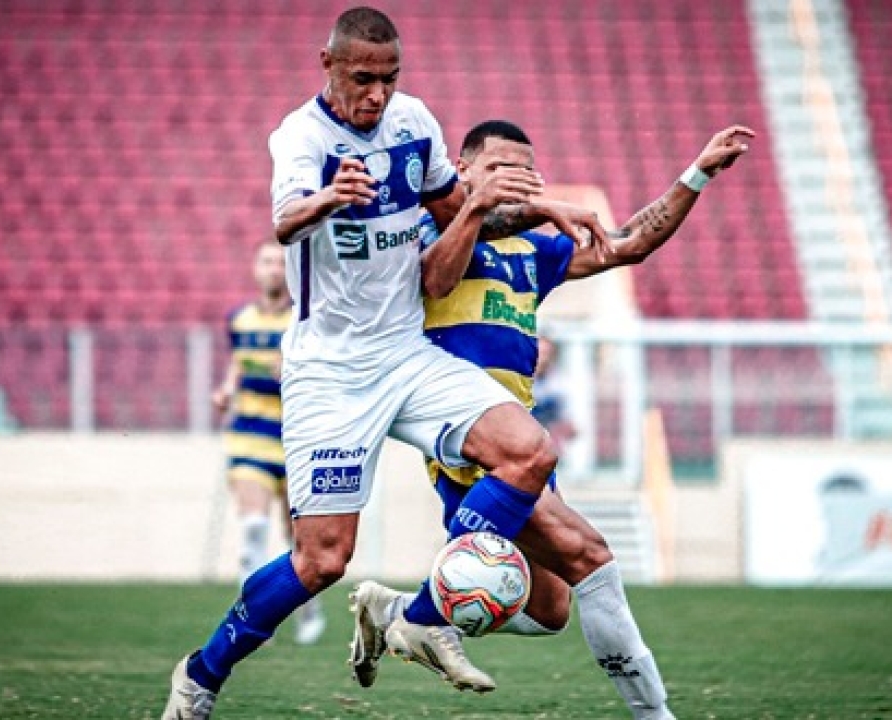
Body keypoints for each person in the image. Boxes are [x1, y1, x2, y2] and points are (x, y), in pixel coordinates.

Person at [161, 8, 606, 718]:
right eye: (364, 78)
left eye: (389, 77)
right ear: (327, 64)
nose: (377, 93)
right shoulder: (301, 137)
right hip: (331, 373)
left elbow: (463, 210)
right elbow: (282, 221)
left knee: (530, 451)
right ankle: (202, 674)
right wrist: (328, 198)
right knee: (322, 563)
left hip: (407, 352)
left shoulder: (414, 124)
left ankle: (425, 615)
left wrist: (548, 206)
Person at [349, 119, 754, 719]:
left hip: (523, 437)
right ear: (461, 170)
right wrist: (490, 207)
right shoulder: (431, 231)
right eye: (499, 170)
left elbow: (627, 242)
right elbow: (436, 274)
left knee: (550, 611)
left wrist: (696, 174)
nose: (514, 182)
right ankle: (655, 714)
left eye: (525, 173)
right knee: (593, 556)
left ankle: (399, 612)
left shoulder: (534, 253)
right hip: (470, 438)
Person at [211, 241, 325, 645]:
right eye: (266, 261)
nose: (274, 269)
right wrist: (226, 390)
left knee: (300, 540)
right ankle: (252, 618)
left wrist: (295, 374)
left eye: (280, 262)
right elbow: (238, 362)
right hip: (249, 437)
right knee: (254, 527)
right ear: (255, 270)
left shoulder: (305, 320)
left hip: (296, 440)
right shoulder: (239, 319)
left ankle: (307, 607)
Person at [531, 335, 577, 453]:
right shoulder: (519, 381)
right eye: (539, 352)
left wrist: (564, 429)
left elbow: (570, 427)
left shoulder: (560, 384)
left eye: (546, 353)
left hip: (550, 450)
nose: (542, 358)